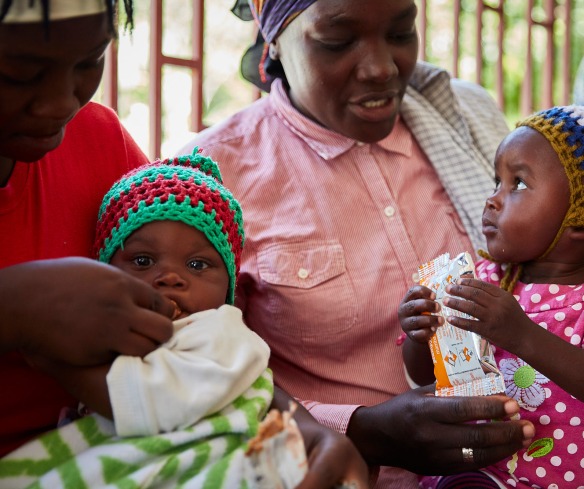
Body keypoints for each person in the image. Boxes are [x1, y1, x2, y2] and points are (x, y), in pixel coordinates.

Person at [0, 2, 369, 487]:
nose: (59, 103)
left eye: (89, 61)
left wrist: (307, 431)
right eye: (20, 74)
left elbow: (206, 355)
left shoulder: (98, 143)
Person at [176, 0, 536, 486]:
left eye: (401, 32)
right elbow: (191, 377)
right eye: (339, 42)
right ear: (275, 40)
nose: (381, 69)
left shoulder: (467, 123)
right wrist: (360, 430)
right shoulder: (211, 179)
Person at [0, 153, 316, 488]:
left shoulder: (219, 332)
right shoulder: (104, 331)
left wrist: (53, 360)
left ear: (229, 287)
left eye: (197, 265)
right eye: (142, 260)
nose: (169, 278)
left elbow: (151, 402)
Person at [399, 105, 584, 488]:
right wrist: (422, 336)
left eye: (517, 184)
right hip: (469, 473)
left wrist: (523, 335)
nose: (492, 200)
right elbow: (424, 378)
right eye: (494, 182)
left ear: (578, 219)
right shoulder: (479, 280)